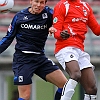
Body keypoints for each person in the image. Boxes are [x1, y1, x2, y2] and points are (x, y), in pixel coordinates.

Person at [0, 0, 68, 100]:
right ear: (31, 1)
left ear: (45, 4)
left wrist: (56, 29)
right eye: (36, 1)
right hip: (23, 59)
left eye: (42, 2)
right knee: (25, 96)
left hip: (40, 58)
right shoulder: (19, 16)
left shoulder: (49, 14)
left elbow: (62, 26)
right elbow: (8, 38)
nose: (38, 5)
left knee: (65, 86)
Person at [52, 0, 100, 100]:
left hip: (79, 50)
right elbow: (56, 31)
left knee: (92, 89)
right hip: (65, 48)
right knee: (76, 74)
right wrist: (61, 34)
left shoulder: (85, 6)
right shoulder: (62, 5)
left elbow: (96, 30)